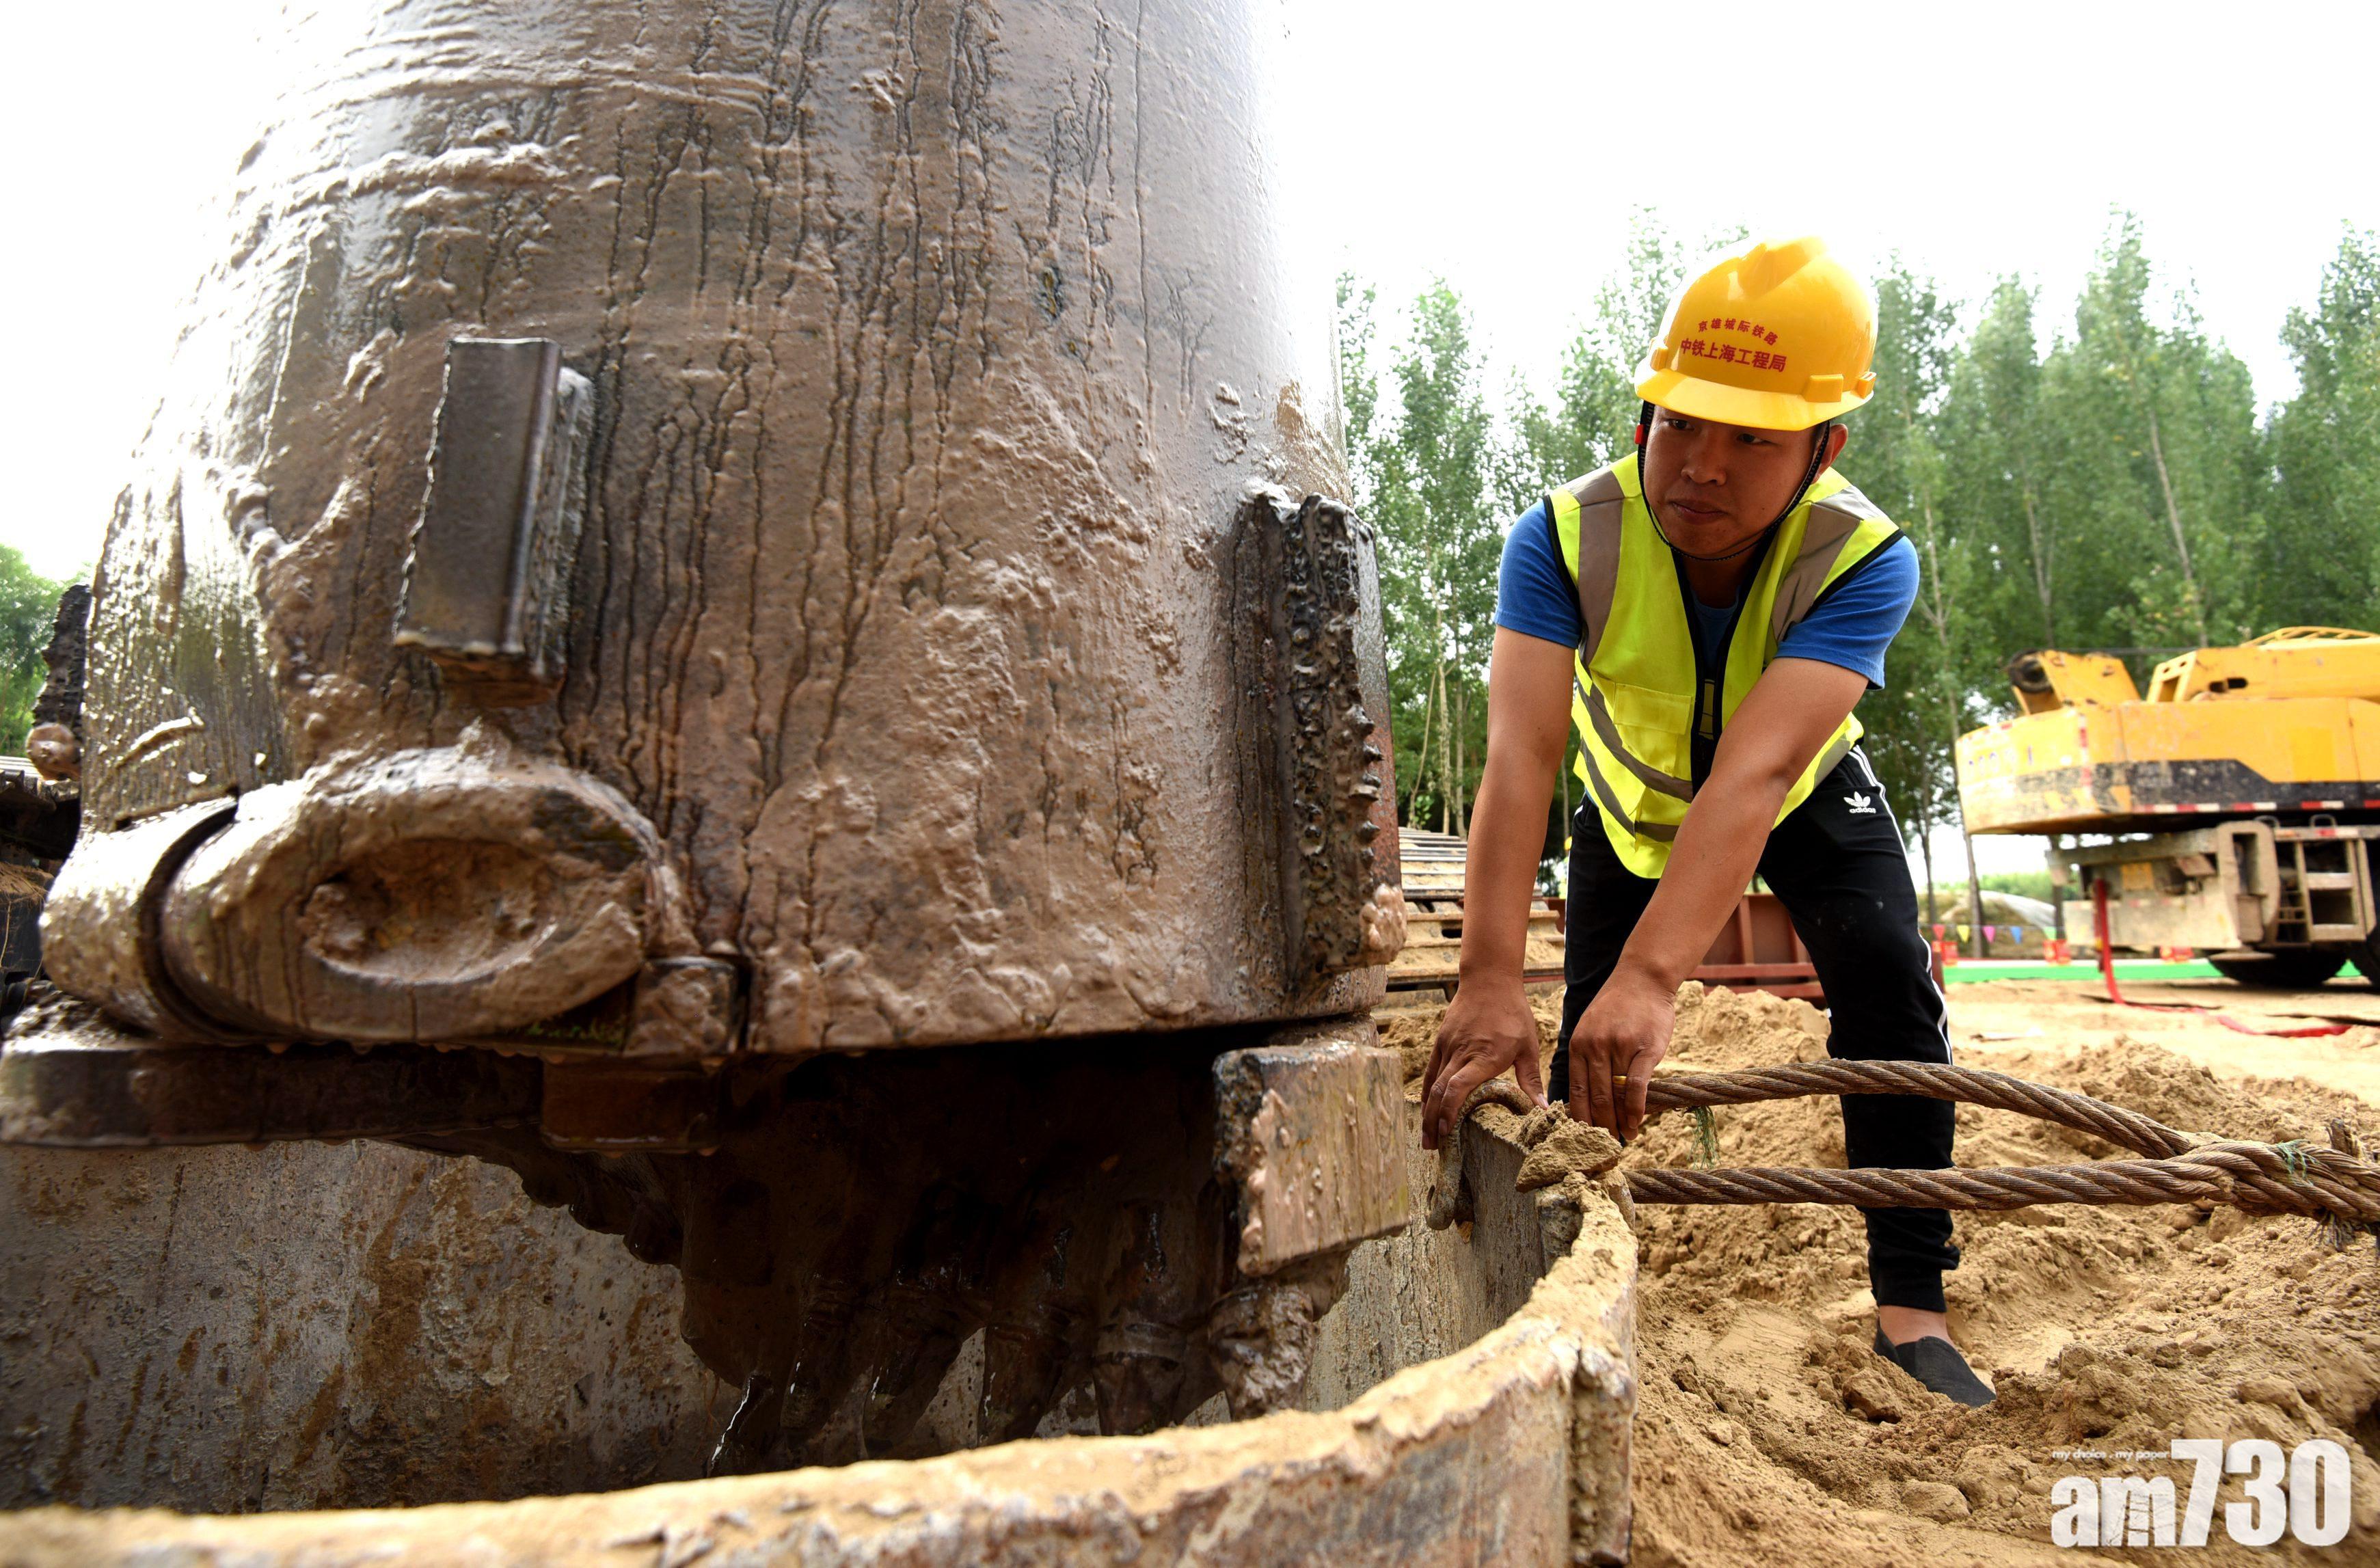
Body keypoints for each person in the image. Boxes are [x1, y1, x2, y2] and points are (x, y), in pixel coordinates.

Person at [1417, 236, 1992, 1406]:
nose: (1700, 465)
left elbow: (1758, 767)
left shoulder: (1861, 556)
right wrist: (1485, 976)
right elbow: (1521, 757)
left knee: (1887, 977)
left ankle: (1909, 1308)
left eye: (1751, 439)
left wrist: (1657, 976)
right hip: (1627, 823)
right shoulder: (1565, 534)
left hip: (1802, 799)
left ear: (1823, 447)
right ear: (1644, 409)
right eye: (1679, 421)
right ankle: (1579, 1295)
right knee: (1589, 1057)